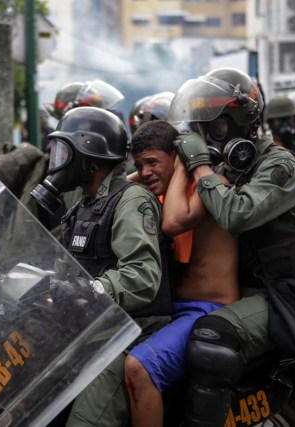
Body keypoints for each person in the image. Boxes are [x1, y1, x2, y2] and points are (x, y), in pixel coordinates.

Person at [167, 67, 295, 426]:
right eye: (202, 128)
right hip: (250, 289)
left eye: (216, 127)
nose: (207, 136)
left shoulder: (277, 165)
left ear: (242, 121)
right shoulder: (238, 164)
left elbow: (237, 214)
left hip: (283, 296)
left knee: (211, 336)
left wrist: (200, 165)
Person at [31, 106, 171, 427]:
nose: (57, 161)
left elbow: (142, 277)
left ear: (89, 158)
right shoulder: (81, 206)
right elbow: (66, 271)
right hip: (92, 328)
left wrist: (90, 289)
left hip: (132, 333)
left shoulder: (131, 201)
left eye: (65, 151)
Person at [123, 119, 239, 426]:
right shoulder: (166, 191)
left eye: (151, 162)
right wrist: (156, 169)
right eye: (139, 163)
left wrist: (184, 164)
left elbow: (173, 223)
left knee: (138, 367)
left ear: (178, 158)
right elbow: (125, 185)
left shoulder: (212, 187)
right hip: (174, 310)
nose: (145, 172)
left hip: (208, 310)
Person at [263, 96, 295, 167]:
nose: (285, 124)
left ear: (294, 120)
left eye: (289, 119)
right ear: (270, 123)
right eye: (279, 120)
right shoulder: (263, 147)